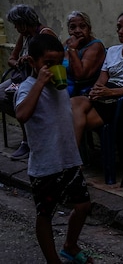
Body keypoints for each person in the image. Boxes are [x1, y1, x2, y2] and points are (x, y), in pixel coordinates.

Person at [14, 34, 93, 264]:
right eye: (48, 64)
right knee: (45, 214)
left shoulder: (59, 87)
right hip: (45, 166)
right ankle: (53, 260)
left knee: (83, 205)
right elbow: (21, 114)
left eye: (59, 63)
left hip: (68, 160)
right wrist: (38, 83)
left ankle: (70, 244)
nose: (54, 68)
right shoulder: (28, 87)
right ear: (33, 63)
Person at [71, 6, 123, 148]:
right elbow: (102, 80)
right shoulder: (112, 51)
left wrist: (111, 92)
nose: (121, 32)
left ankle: (72, 161)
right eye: (118, 27)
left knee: (77, 120)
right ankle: (73, 160)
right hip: (105, 94)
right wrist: (95, 90)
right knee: (72, 104)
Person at [0, 4, 57, 160]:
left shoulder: (45, 34)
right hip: (22, 75)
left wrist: (31, 62)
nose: (16, 28)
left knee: (19, 96)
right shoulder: (25, 36)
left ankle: (28, 139)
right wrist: (19, 62)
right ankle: (29, 129)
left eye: (17, 24)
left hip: (39, 78)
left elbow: (52, 62)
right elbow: (12, 58)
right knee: (1, 93)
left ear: (24, 22)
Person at [62, 11, 106, 97]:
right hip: (62, 86)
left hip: (81, 90)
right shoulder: (68, 42)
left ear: (89, 29)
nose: (77, 31)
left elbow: (80, 75)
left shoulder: (95, 46)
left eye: (82, 26)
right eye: (73, 27)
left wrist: (72, 49)